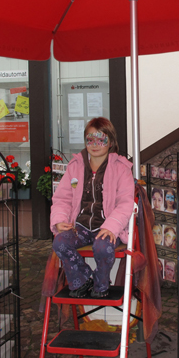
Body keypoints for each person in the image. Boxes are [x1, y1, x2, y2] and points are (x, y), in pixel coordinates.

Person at [50, 117, 134, 299]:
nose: (95, 144)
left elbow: (125, 202)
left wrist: (111, 227)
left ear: (110, 142)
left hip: (108, 228)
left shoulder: (121, 169)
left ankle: (101, 282)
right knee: (60, 242)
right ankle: (82, 279)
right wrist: (59, 220)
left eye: (101, 139)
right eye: (90, 139)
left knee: (103, 247)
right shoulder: (75, 168)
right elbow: (63, 198)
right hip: (79, 226)